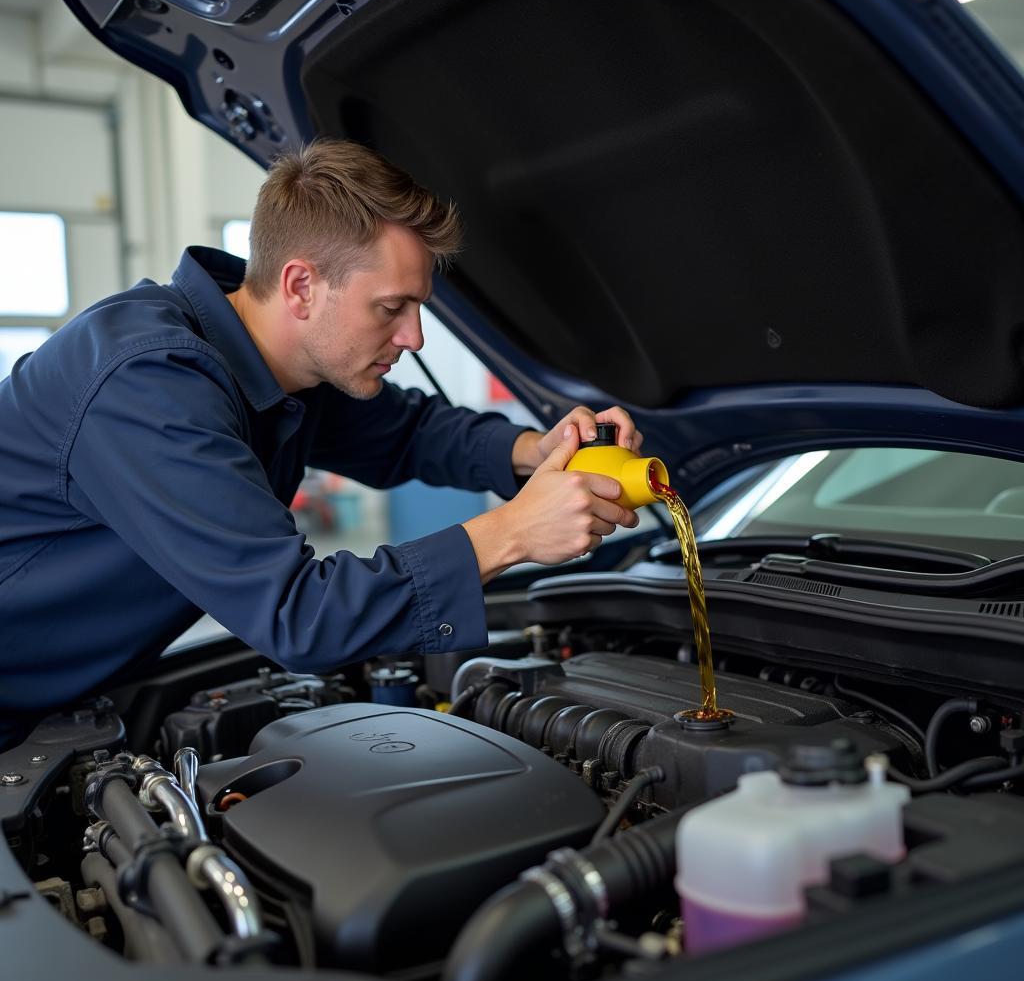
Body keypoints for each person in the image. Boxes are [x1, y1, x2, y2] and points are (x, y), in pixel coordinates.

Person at [0, 139, 642, 747]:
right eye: (392, 308)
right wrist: (512, 534)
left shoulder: (280, 363)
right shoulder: (146, 384)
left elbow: (409, 432)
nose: (414, 337)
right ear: (302, 285)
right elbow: (297, 614)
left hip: (63, 698)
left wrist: (540, 447)